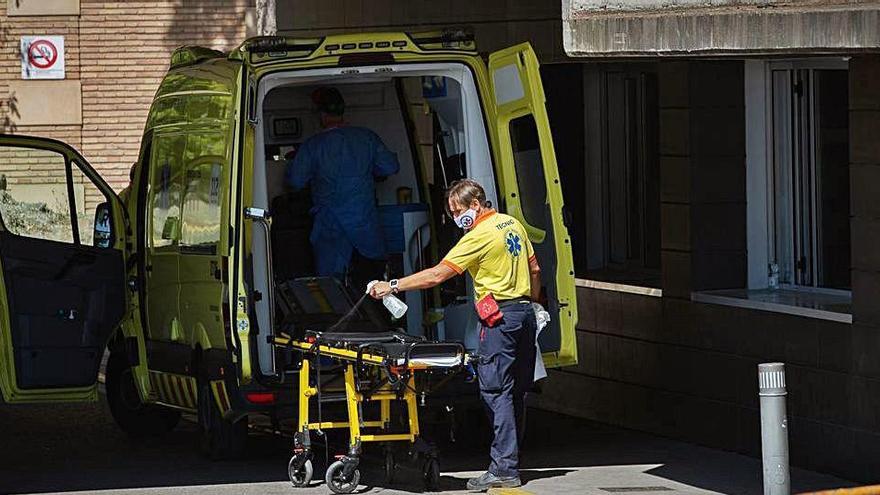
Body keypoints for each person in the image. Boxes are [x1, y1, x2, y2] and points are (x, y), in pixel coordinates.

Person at [369, 179, 541, 491]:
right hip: (525, 314)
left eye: (457, 210)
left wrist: (391, 285)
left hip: (499, 319)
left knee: (495, 391)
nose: (454, 217)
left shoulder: (478, 236)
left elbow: (437, 275)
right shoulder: (512, 224)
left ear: (476, 204)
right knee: (515, 392)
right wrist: (535, 305)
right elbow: (535, 269)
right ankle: (510, 461)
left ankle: (504, 467)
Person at [286, 86, 400, 288]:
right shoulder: (366, 138)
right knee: (372, 285)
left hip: (331, 227)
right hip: (364, 224)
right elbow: (390, 167)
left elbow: (295, 181)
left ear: (321, 114)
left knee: (331, 288)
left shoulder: (313, 146)